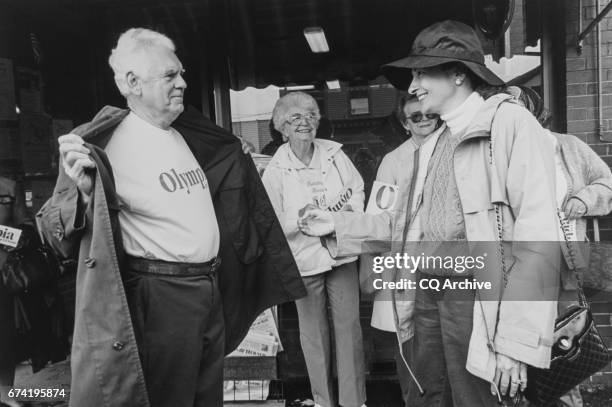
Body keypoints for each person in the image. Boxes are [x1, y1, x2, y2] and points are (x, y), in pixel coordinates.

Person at [36, 28, 305, 407]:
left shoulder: (186, 134)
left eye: (181, 73)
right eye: (169, 76)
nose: (182, 82)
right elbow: (53, 234)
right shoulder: (97, 144)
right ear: (132, 83)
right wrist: (81, 192)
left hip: (208, 288)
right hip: (161, 296)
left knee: (205, 399)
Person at [299, 20, 560, 407]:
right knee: (426, 397)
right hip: (427, 290)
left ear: (458, 74)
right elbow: (401, 225)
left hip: (475, 295)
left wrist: (516, 342)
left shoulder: (510, 124)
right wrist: (336, 223)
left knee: (477, 399)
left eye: (423, 73)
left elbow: (538, 238)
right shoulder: (432, 144)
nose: (413, 85)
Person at [261, 91, 367, 407]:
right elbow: (270, 218)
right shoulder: (276, 169)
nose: (304, 122)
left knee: (349, 330)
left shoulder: (335, 154)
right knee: (314, 336)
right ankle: (323, 401)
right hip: (303, 257)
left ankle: (353, 402)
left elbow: (357, 190)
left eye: (310, 115)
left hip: (340, 251)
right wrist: (302, 222)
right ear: (282, 128)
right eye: (295, 118)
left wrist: (338, 220)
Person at [511, 85, 612, 407]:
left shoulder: (566, 147)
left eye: (518, 103)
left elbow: (606, 181)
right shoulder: (498, 155)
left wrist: (585, 199)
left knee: (563, 340)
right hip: (516, 266)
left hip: (564, 261)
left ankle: (569, 401)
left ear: (533, 109)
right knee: (517, 345)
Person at [359, 92, 446, 407]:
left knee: (448, 341)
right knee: (407, 340)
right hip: (406, 261)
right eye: (415, 117)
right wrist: (372, 265)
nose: (424, 121)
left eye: (429, 114)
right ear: (404, 123)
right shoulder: (393, 160)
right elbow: (378, 219)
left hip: (447, 260)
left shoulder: (453, 148)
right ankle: (414, 401)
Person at [0, 176, 27, 407]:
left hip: (3, 272)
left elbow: (21, 229)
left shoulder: (9, 186)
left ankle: (5, 392)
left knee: (4, 335)